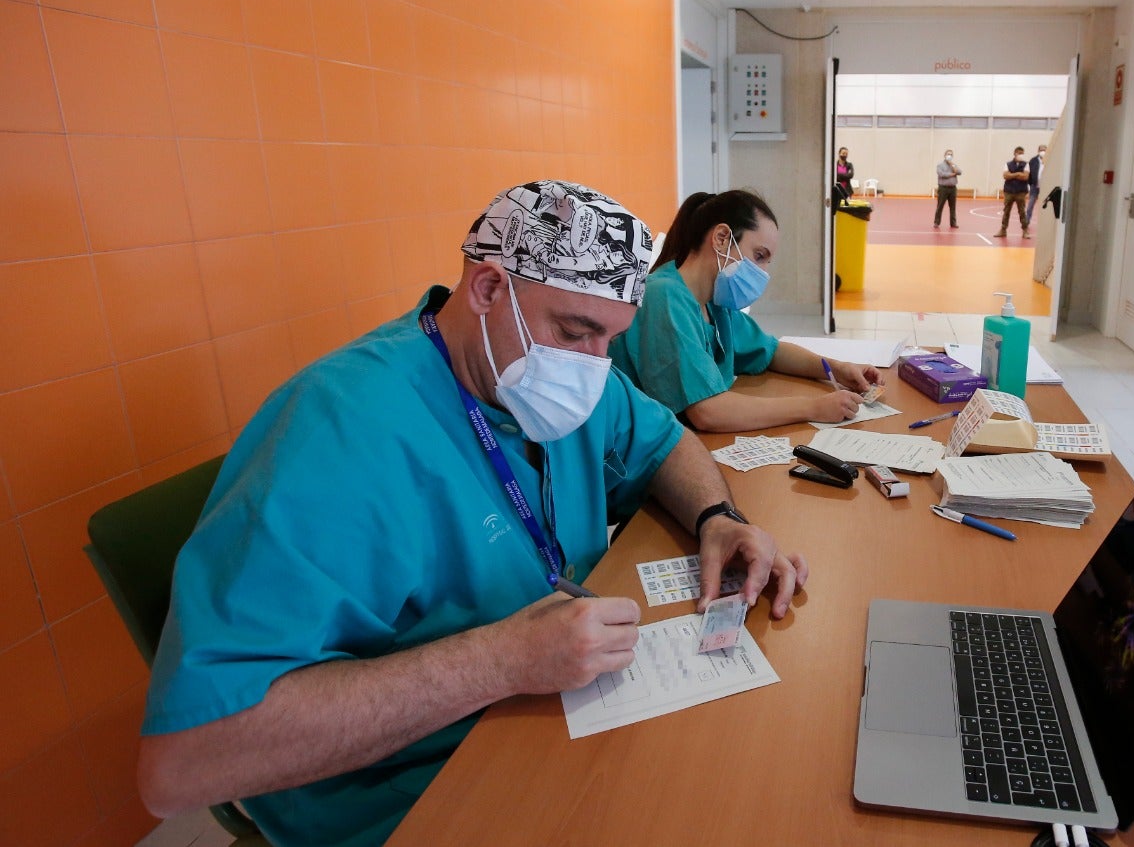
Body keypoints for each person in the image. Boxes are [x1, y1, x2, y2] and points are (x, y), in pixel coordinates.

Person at [137, 181, 810, 847]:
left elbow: (664, 440)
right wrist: (499, 661)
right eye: (577, 332)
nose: (594, 367)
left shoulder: (556, 373)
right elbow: (183, 763)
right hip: (406, 790)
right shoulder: (342, 434)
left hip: (540, 716)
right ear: (488, 290)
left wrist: (717, 516)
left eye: (611, 340)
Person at [610, 189, 882, 432]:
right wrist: (813, 407)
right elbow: (708, 411)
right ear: (721, 238)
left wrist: (836, 369)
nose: (762, 273)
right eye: (759, 256)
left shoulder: (714, 302)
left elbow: (770, 350)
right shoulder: (664, 296)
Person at [998, 146, 1030, 238]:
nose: (1021, 155)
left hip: (1021, 191)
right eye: (1019, 153)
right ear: (1015, 153)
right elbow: (1005, 175)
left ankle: (1025, 230)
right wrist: (1018, 174)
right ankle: (1003, 230)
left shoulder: (1026, 164)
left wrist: (1012, 175)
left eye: (1022, 153)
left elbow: (1025, 177)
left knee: (1022, 212)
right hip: (1009, 191)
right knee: (1006, 211)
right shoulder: (1007, 164)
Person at [933, 148, 961, 229]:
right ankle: (936, 222)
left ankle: (953, 223)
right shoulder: (940, 165)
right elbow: (941, 174)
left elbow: (959, 172)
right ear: (945, 155)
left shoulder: (954, 165)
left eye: (951, 155)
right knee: (940, 206)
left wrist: (952, 164)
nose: (950, 156)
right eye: (948, 154)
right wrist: (952, 174)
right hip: (943, 188)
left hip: (953, 189)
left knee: (953, 207)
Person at [1025, 143, 1047, 226]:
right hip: (1034, 186)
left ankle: (1044, 223)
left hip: (1045, 187)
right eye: (1041, 150)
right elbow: (1029, 173)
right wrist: (1029, 184)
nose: (1043, 152)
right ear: (1038, 151)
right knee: (1031, 204)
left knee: (1046, 205)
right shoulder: (1033, 160)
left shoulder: (1050, 160)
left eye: (1044, 150)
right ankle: (1027, 220)